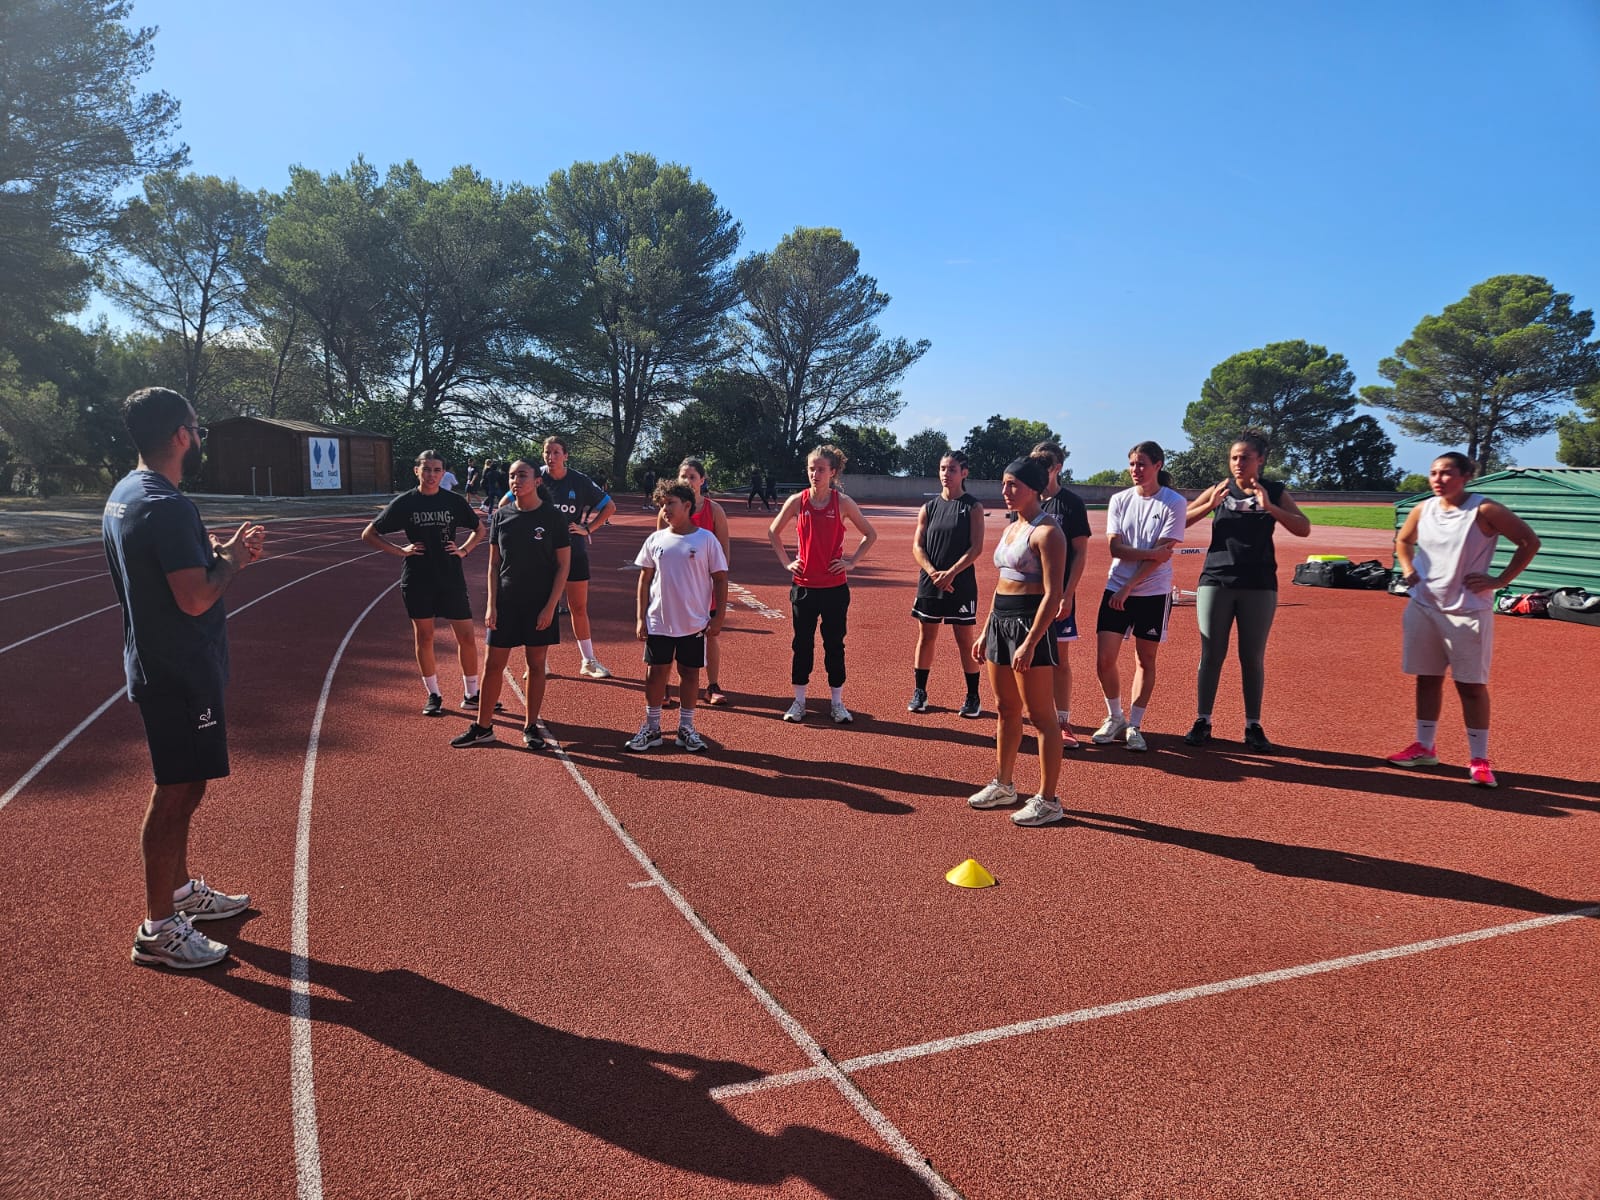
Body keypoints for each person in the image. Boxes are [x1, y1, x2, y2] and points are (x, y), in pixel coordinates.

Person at [103, 387, 266, 969]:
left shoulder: (127, 493)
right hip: (179, 670)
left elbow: (170, 569)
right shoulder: (167, 505)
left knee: (187, 784)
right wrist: (234, 561)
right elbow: (195, 597)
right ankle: (159, 929)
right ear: (179, 435)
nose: (199, 438)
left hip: (163, 662)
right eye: (197, 429)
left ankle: (176, 894)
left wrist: (214, 552)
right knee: (175, 791)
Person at [1386, 452, 1540, 788]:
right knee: (1426, 679)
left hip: (1468, 611)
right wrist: (1408, 568)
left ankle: (1479, 760)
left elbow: (1529, 541)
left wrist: (1501, 580)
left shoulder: (1484, 510)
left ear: (1467, 475)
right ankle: (1424, 747)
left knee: (1470, 686)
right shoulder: (1422, 509)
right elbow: (1403, 540)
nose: (1438, 479)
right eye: (1433, 473)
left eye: (1447, 473)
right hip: (1423, 607)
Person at [1181, 430, 1312, 752]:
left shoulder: (1274, 491)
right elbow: (1179, 522)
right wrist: (1209, 505)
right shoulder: (1220, 489)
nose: (1238, 463)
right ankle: (1203, 720)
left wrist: (1270, 507)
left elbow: (1303, 528)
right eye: (1234, 457)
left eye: (1245, 458)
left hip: (1259, 583)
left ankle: (1253, 725)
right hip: (1216, 580)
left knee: (1251, 657)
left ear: (1260, 460)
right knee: (1211, 654)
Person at [967, 457, 1068, 826]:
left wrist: (1031, 642)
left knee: (1041, 716)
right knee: (1005, 708)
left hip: (1029, 625)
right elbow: (1002, 584)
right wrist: (986, 629)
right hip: (1001, 623)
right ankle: (1004, 784)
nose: (1005, 491)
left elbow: (1053, 595)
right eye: (1004, 483)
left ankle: (1049, 800)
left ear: (1034, 489)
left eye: (1013, 485)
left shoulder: (1048, 532)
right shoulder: (1012, 527)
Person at [450, 460, 570, 751]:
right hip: (506, 601)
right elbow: (494, 564)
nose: (516, 480)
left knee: (536, 665)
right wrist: (491, 605)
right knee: (493, 664)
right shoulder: (502, 516)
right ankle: (483, 727)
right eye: (512, 476)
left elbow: (563, 566)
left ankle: (531, 726)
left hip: (539, 603)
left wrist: (550, 607)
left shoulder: (553, 517)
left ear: (537, 481)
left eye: (522, 475)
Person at [362, 450, 484, 716]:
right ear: (416, 471)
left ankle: (472, 694)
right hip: (418, 578)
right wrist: (400, 551)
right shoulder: (406, 502)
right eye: (426, 469)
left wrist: (464, 550)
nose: (431, 475)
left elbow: (480, 529)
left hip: (450, 576)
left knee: (466, 636)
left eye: (437, 470)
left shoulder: (453, 501)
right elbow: (369, 534)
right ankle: (434, 694)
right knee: (425, 636)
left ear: (444, 473)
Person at [767, 445, 877, 724]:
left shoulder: (842, 503)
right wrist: (786, 563)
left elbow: (869, 534)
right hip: (803, 587)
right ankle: (799, 702)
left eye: (820, 469)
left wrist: (851, 562)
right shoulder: (798, 501)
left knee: (834, 645)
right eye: (811, 469)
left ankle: (837, 703)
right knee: (802, 645)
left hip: (834, 589)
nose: (814, 474)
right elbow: (773, 531)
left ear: (833, 472)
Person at [1091, 440, 1186, 751]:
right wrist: (1150, 554)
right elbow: (1115, 548)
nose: (1136, 469)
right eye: (1132, 464)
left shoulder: (1173, 502)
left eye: (1142, 464)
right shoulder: (1119, 500)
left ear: (1158, 465)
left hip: (1153, 591)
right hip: (1115, 586)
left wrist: (1130, 586)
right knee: (1104, 659)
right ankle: (1115, 716)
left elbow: (1162, 556)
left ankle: (1134, 724)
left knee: (1146, 659)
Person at [626, 481, 730, 753]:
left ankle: (686, 727)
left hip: (693, 622)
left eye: (670, 503)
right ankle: (652, 728)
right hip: (659, 620)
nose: (665, 509)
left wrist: (718, 617)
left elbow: (720, 579)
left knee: (689, 673)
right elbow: (644, 579)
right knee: (655, 673)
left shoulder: (706, 540)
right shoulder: (655, 539)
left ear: (687, 505)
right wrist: (640, 618)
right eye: (662, 505)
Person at [908, 450, 985, 717]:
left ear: (964, 473)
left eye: (952, 469)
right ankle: (920, 692)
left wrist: (951, 573)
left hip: (960, 583)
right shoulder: (928, 508)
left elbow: (976, 548)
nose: (946, 474)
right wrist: (933, 573)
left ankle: (973, 696)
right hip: (930, 582)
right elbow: (918, 546)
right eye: (942, 468)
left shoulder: (973, 507)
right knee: (926, 636)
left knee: (964, 640)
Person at [1031, 441, 1093, 748]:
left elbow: (1080, 552)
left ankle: (1062, 721)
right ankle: (1022, 720)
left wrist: (1068, 594)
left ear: (1057, 467)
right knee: (1025, 658)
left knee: (1059, 660)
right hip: (1028, 595)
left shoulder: (1071, 503)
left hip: (1058, 594)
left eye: (1044, 465)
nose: (1038, 471)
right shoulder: (1027, 501)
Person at [656, 459, 733, 704]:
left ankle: (712, 686)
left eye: (692, 477)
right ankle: (664, 686)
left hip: (704, 586)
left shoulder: (714, 511)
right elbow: (659, 549)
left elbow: (724, 554)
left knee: (710, 634)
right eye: (683, 476)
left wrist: (714, 581)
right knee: (669, 633)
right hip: (675, 587)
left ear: (702, 480)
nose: (687, 481)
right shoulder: (667, 510)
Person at [540, 436, 616, 678]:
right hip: (542, 552)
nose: (551, 457)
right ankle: (539, 662)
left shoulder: (579, 480)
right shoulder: (535, 477)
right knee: (542, 606)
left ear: (566, 456)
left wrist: (588, 529)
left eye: (556, 452)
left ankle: (588, 661)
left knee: (578, 606)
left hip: (574, 550)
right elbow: (507, 502)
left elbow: (610, 506)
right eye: (547, 452)